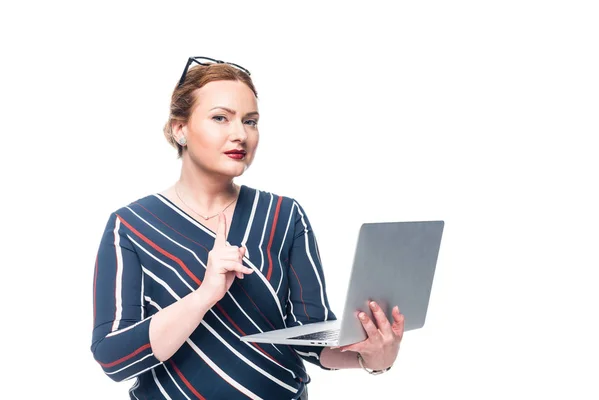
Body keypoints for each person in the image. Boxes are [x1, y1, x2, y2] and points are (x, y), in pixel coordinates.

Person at [91, 56, 406, 400]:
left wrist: (371, 358)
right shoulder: (132, 226)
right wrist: (204, 296)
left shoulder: (284, 216)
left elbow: (310, 339)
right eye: (220, 118)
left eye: (250, 121)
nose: (240, 134)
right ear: (180, 129)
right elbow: (114, 358)